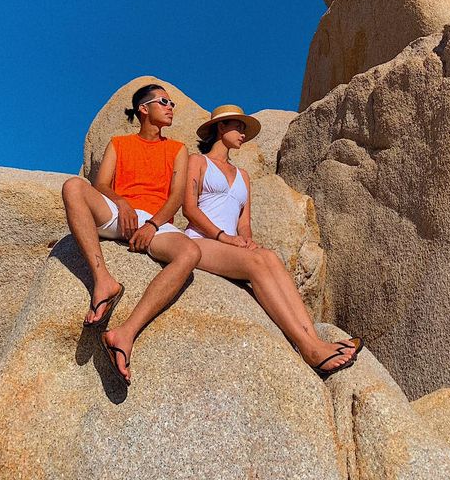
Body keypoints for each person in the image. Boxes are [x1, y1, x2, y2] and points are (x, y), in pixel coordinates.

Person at [183, 104, 362, 377]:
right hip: (200, 241)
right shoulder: (198, 162)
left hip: (229, 245)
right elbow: (189, 209)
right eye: (238, 126)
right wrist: (224, 238)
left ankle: (314, 340)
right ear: (221, 127)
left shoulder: (242, 176)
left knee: (269, 257)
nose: (243, 133)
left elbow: (244, 222)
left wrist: (247, 241)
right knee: (256, 264)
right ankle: (308, 348)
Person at [62, 83, 201, 386]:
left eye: (172, 103)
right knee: (73, 187)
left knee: (190, 253)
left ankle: (124, 334)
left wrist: (152, 224)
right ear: (143, 109)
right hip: (118, 213)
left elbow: (176, 196)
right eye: (164, 102)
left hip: (155, 222)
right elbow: (101, 184)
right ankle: (104, 282)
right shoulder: (119, 143)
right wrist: (122, 203)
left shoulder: (177, 149)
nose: (171, 107)